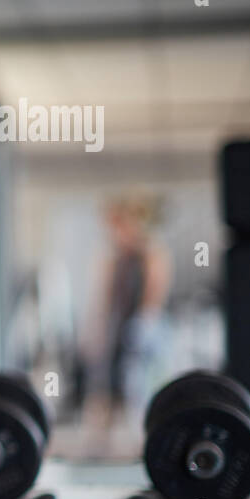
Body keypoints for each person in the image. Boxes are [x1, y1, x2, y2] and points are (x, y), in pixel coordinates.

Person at [78, 193, 172, 450]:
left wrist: (145, 321)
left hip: (143, 330)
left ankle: (146, 441)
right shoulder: (114, 258)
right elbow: (103, 298)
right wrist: (96, 330)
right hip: (117, 330)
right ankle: (100, 441)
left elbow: (154, 293)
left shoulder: (152, 254)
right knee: (106, 385)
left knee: (138, 388)